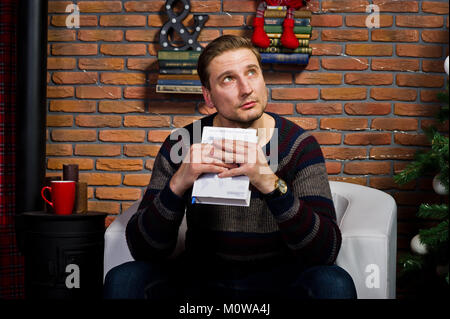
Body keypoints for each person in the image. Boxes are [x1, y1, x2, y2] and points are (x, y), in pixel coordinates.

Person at [103, 35, 357, 300]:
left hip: (280, 282)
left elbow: (325, 251)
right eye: (228, 78)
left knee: (334, 282)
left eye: (251, 72)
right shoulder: (182, 143)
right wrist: (178, 184)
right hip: (199, 280)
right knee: (125, 278)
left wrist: (270, 183)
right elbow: (144, 250)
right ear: (208, 96)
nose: (246, 88)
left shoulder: (298, 145)